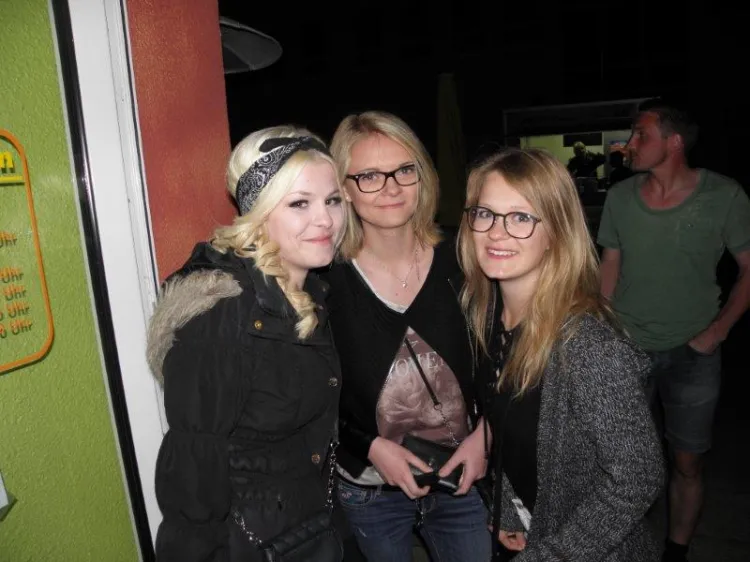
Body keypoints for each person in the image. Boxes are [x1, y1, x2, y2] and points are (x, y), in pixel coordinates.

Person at [147, 126, 346, 561]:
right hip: (251, 543)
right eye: (299, 203)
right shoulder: (221, 312)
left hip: (308, 526)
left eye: (333, 200)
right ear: (259, 212)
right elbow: (193, 471)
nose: (326, 220)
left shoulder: (310, 291)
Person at [458, 147, 664, 561]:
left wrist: (555, 555)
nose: (496, 232)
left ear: (556, 232)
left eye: (521, 217)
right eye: (485, 214)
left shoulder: (587, 345)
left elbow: (638, 477)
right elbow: (512, 428)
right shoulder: (488, 316)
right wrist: (513, 510)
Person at [323, 111, 492, 562]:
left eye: (403, 170)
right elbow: (311, 395)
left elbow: (508, 360)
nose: (392, 187)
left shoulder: (466, 260)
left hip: (462, 475)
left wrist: (486, 435)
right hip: (371, 489)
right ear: (343, 188)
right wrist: (369, 446)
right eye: (369, 176)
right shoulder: (323, 282)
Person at [597, 98, 750, 562]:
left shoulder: (724, 195)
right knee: (624, 464)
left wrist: (717, 332)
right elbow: (609, 266)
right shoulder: (621, 197)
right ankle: (626, 546)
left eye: (641, 134)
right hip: (627, 348)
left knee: (687, 463)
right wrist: (601, 331)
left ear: (675, 141)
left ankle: (675, 553)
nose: (630, 143)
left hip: (693, 354)